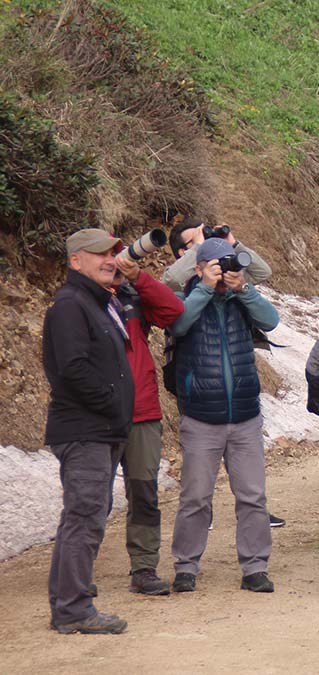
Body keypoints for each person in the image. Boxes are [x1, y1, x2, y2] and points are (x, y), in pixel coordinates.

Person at [169, 238, 280, 593]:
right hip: (201, 416)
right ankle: (186, 566)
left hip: (245, 415)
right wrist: (203, 288)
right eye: (216, 265)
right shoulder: (184, 297)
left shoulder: (241, 297)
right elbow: (178, 325)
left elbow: (271, 320)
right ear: (199, 267)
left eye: (227, 265)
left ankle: (255, 568)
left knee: (252, 496)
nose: (224, 272)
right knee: (196, 497)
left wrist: (243, 289)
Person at [43, 229, 135, 634]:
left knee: (81, 517)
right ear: (75, 260)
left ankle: (66, 603)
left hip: (99, 429)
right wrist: (112, 402)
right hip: (85, 430)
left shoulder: (98, 302)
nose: (109, 259)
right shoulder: (70, 305)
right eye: (99, 254)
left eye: (112, 253)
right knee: (85, 518)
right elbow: (72, 369)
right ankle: (75, 609)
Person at [112, 245, 184, 595]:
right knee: (94, 498)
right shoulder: (79, 301)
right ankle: (76, 573)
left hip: (142, 411)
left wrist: (138, 278)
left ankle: (144, 567)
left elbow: (172, 309)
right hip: (101, 416)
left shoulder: (132, 296)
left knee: (144, 493)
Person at [164, 217, 271, 293]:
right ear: (182, 251)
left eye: (205, 237)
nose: (204, 242)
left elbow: (262, 273)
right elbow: (173, 280)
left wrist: (234, 245)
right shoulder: (178, 274)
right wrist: (198, 247)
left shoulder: (223, 268)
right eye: (196, 238)